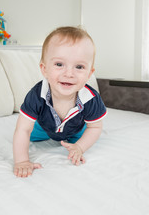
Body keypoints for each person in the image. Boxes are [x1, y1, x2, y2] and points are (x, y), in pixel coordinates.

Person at [13, 26, 107, 177]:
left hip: (76, 129)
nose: (69, 73)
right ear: (44, 69)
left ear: (89, 73)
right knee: (26, 134)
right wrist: (22, 161)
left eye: (79, 67)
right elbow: (23, 130)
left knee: (84, 136)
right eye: (59, 64)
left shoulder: (91, 98)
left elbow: (95, 127)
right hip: (43, 126)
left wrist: (80, 147)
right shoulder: (36, 95)